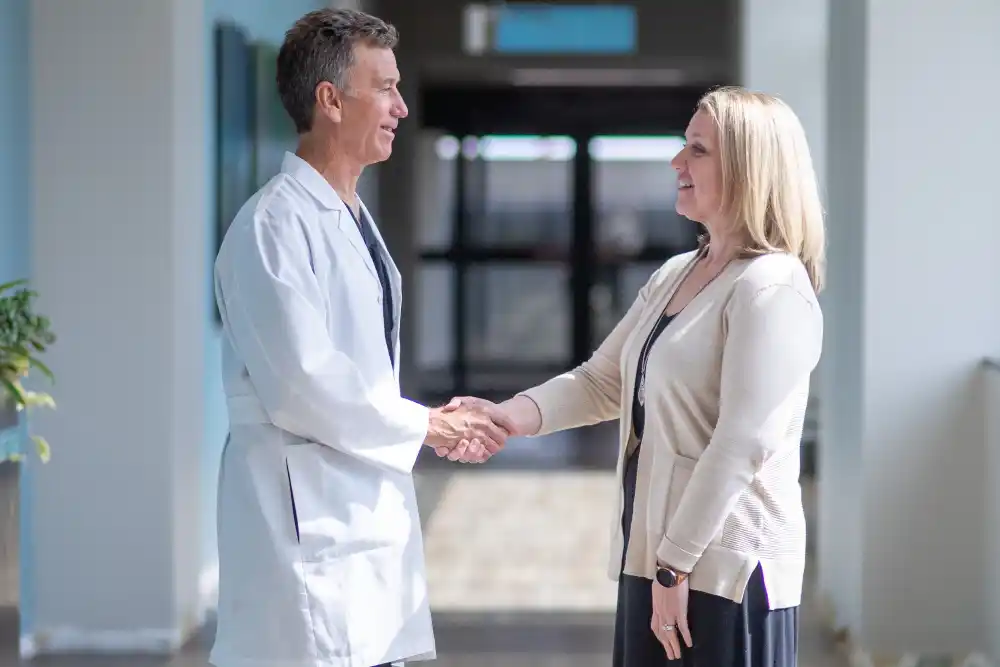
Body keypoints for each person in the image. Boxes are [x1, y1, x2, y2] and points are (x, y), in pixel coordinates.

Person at [448, 87, 825, 666]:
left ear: (749, 168)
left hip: (724, 571)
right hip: (654, 561)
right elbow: (603, 381)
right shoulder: (680, 272)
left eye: (697, 150)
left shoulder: (771, 288)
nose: (677, 163)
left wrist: (674, 564)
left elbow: (742, 442)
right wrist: (508, 416)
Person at [210, 9, 511, 667]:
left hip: (356, 517)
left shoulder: (351, 216)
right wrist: (428, 425)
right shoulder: (274, 227)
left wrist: (422, 425)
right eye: (385, 87)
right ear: (330, 100)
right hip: (300, 530)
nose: (401, 106)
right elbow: (304, 386)